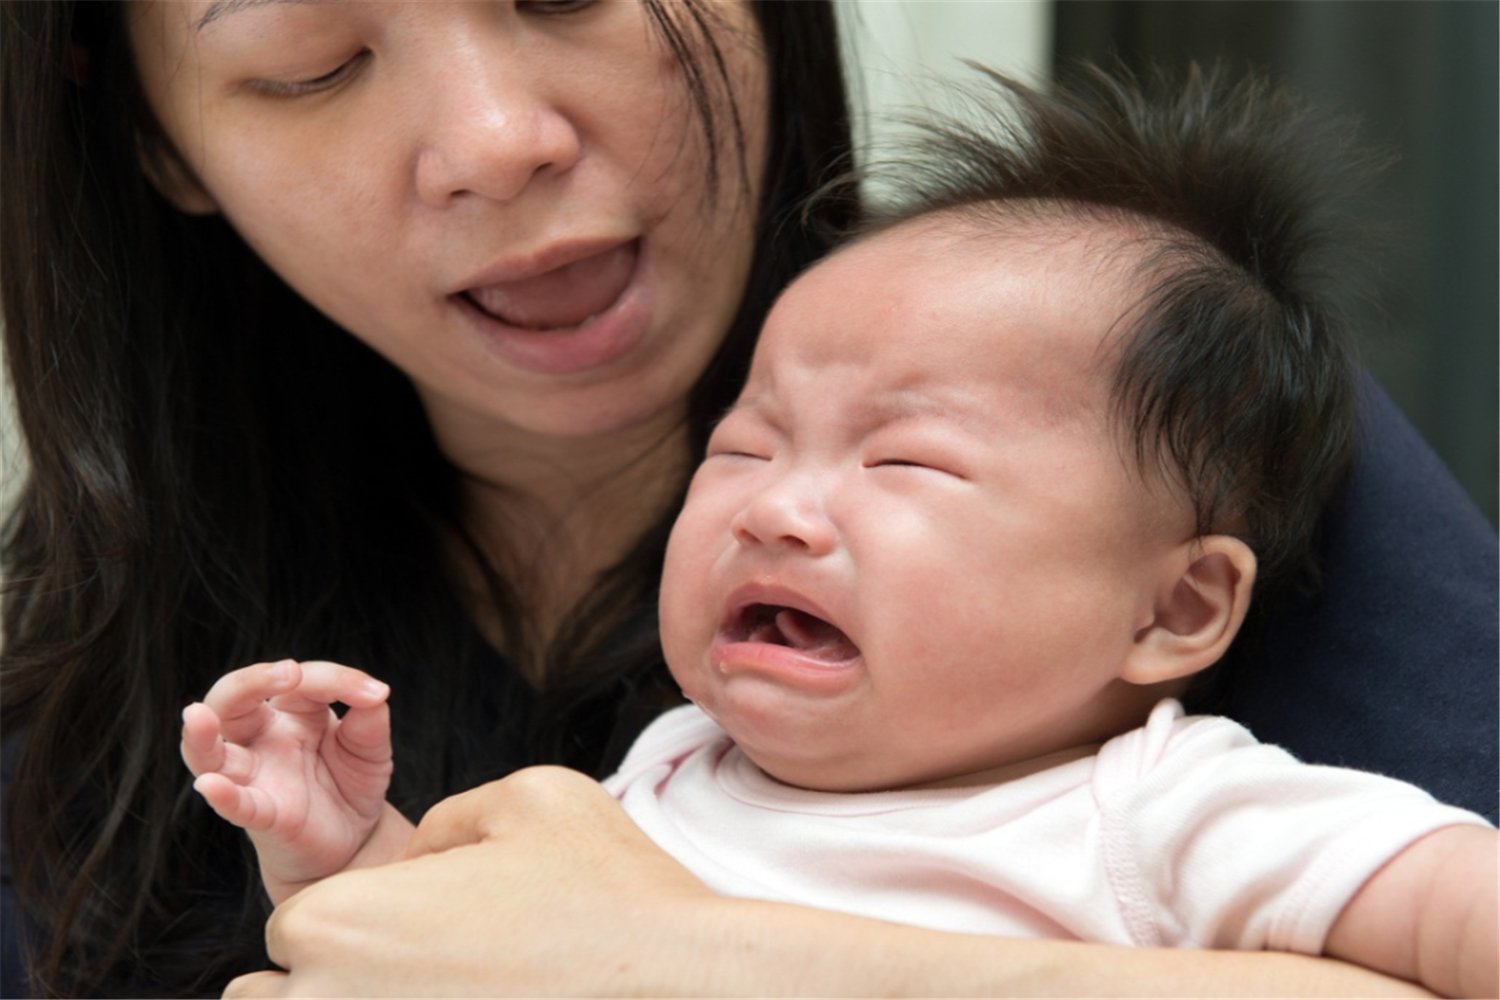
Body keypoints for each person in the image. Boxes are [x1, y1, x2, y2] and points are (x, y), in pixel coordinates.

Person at [0, 0, 1492, 993]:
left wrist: (692, 960)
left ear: (1178, 602)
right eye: (309, 66)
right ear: (152, 137)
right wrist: (341, 860)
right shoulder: (687, 760)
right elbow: (440, 945)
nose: (498, 144)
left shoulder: (1145, 479)